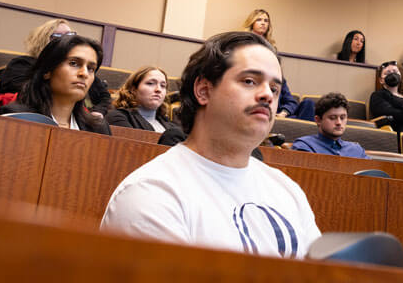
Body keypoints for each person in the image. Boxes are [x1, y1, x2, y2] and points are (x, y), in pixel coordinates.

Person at [101, 31, 320, 257]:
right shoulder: (150, 193)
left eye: (274, 89)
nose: (267, 94)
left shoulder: (287, 190)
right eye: (249, 81)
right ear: (204, 90)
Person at [0, 32, 110, 133]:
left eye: (91, 68)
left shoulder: (98, 128)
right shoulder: (15, 117)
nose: (84, 73)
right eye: (74, 63)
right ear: (47, 71)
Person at [0, 19, 112, 112]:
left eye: (70, 35)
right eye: (58, 37)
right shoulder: (21, 64)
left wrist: (97, 112)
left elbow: (104, 97)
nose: (84, 73)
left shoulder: (84, 71)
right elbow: (28, 90)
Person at [106, 65, 183, 136]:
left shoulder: (172, 127)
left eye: (163, 86)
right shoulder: (117, 117)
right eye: (150, 83)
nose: (158, 89)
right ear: (133, 89)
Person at [290, 92, 367, 158]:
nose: (339, 122)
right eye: (333, 118)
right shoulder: (304, 146)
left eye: (342, 118)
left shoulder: (357, 150)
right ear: (318, 120)